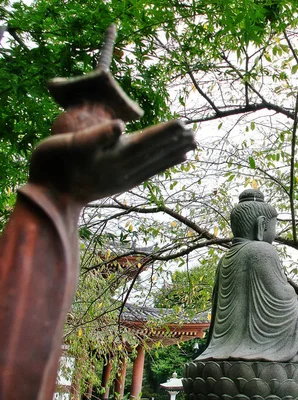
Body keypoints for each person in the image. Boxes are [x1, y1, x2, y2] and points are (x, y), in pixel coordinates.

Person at [0, 26, 196, 399]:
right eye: (87, 112)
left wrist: (71, 196)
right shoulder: (47, 178)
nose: (98, 124)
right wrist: (57, 181)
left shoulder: (65, 210)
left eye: (102, 116)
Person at [197, 189, 298, 364]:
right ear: (261, 225)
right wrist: (291, 292)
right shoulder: (262, 250)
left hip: (221, 350)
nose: (274, 233)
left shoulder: (224, 260)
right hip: (269, 343)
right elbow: (282, 299)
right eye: (273, 226)